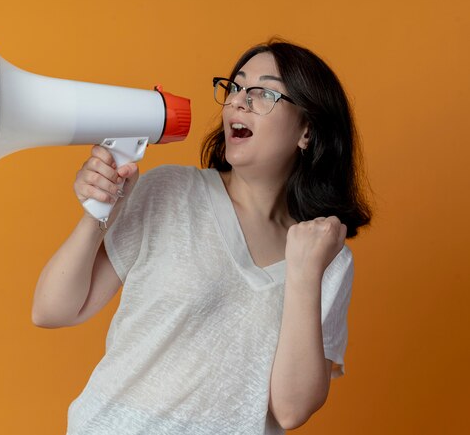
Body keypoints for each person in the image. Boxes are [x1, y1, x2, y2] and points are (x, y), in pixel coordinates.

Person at [32, 38, 372, 435]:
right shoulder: (172, 191)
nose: (238, 103)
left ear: (307, 131)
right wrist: (99, 213)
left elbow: (290, 410)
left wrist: (305, 272)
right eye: (235, 87)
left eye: (263, 92)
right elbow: (51, 311)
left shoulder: (327, 257)